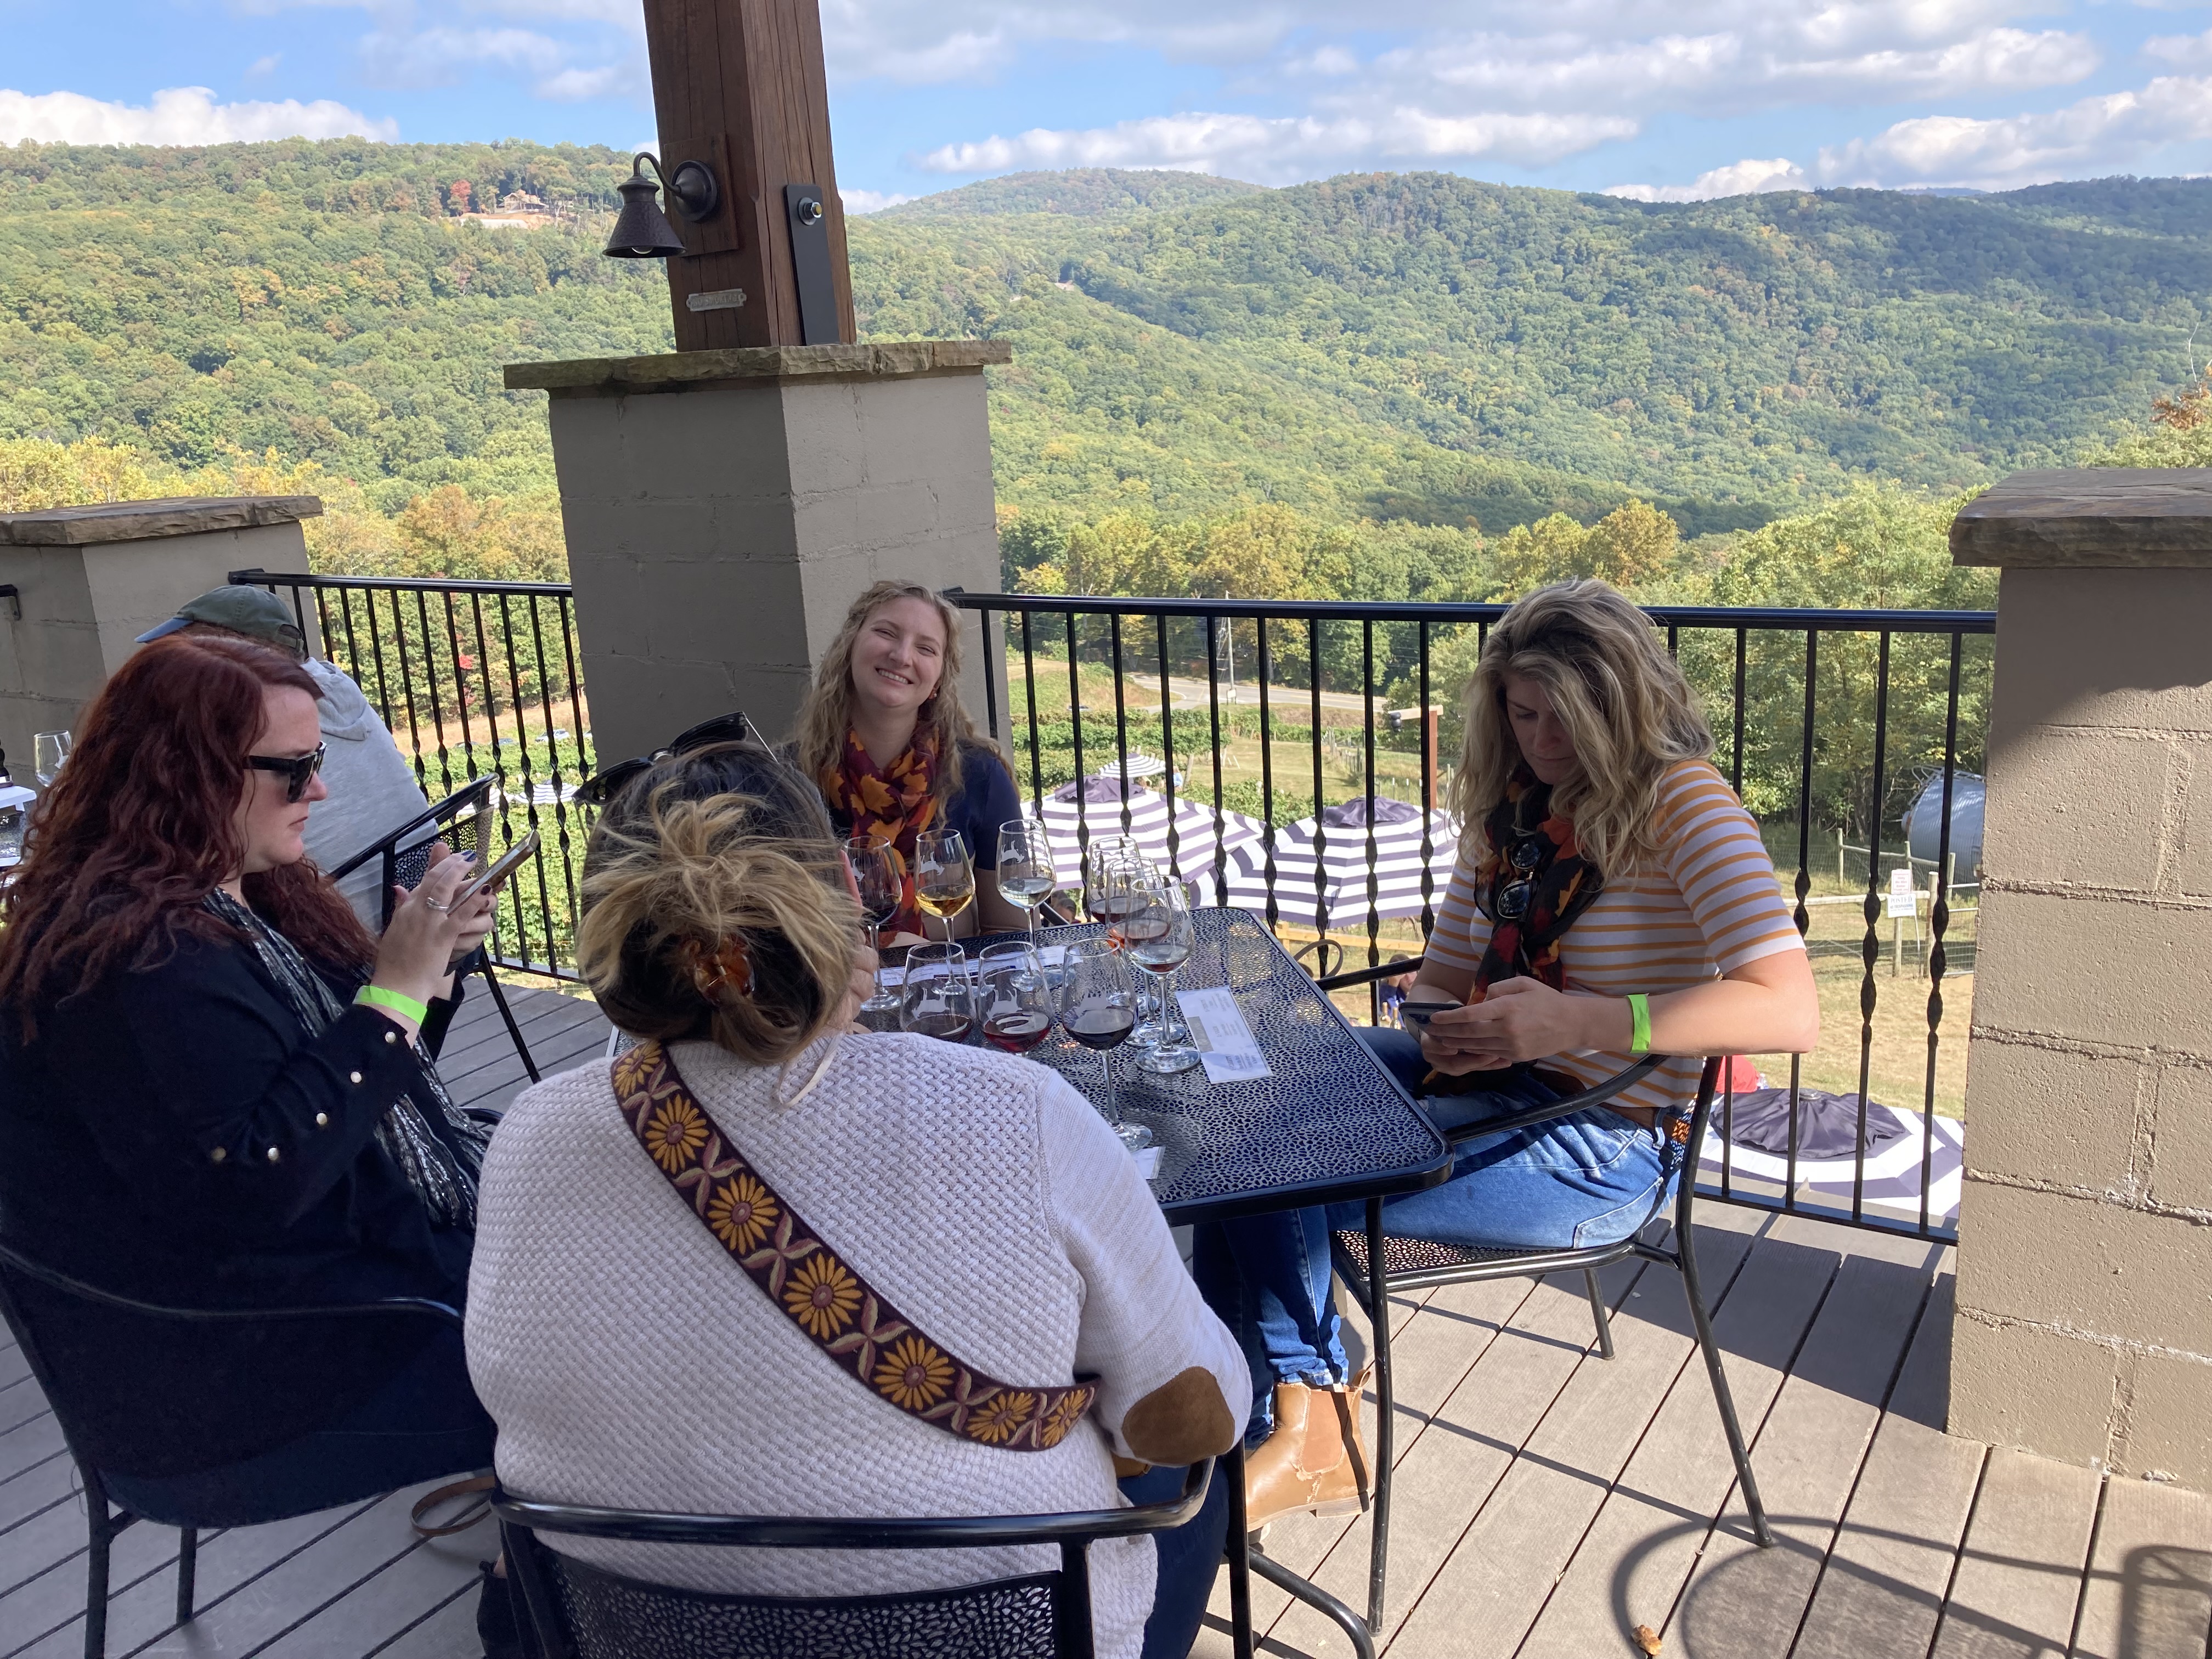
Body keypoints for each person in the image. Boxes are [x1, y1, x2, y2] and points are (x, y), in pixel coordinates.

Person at [465, 738, 1248, 1659]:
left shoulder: (530, 1136)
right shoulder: (1019, 1114)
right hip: (1011, 1636)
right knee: (1206, 1488)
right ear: (840, 891)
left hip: (635, 1633)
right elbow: (1192, 1409)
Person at [1194, 579, 1819, 1528]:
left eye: (1565, 716)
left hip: (1609, 1139)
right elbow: (1444, 975)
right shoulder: (1513, 818)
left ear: (1626, 706)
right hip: (1498, 1079)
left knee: (1282, 1169)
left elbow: (1789, 1009)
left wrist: (1574, 1021)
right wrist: (1447, 1021)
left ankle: (1314, 1413)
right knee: (1240, 1094)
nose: (1541, 739)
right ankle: (1235, 1412)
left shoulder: (1684, 804)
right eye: (1521, 713)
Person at [0, 634, 501, 1524]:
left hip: (290, 1301)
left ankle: (546, 1551)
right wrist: (392, 991)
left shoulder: (228, 894)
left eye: (318, 759)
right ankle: (544, 1586)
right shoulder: (142, 961)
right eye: (293, 768)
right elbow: (262, 1179)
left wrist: (429, 975)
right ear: (186, 771)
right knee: (605, 1333)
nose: (320, 788)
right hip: (239, 1392)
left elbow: (357, 1094)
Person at [139, 584, 435, 930]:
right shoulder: (339, 687)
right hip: (421, 909)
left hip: (341, 938)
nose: (316, 788)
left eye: (192, 650)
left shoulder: (258, 715)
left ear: (231, 651)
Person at [787, 580, 1028, 939]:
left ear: (937, 683)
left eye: (926, 649)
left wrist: (931, 963)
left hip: (952, 990)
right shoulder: (787, 780)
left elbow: (1012, 935)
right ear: (849, 648)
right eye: (886, 632)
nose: (902, 656)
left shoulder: (980, 775)